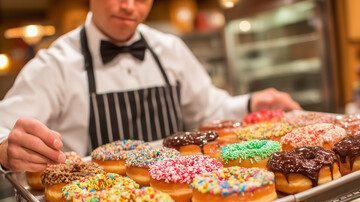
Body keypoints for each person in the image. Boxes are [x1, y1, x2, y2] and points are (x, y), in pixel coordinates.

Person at [0, 0, 301, 172]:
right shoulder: (55, 63)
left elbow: (208, 109)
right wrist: (4, 149)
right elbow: (4, 127)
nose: (129, 6)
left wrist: (251, 104)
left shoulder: (170, 49)